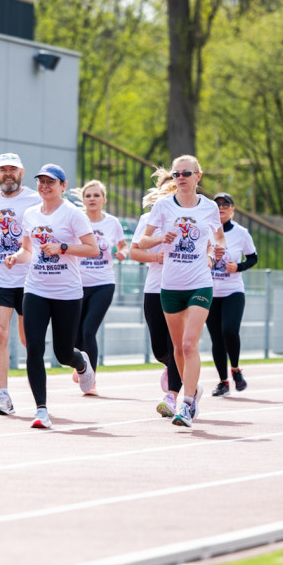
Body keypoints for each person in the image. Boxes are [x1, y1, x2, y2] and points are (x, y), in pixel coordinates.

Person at [3, 164, 98, 429]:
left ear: (63, 186)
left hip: (67, 292)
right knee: (34, 347)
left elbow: (93, 249)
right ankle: (41, 410)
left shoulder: (73, 214)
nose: (45, 186)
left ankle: (81, 362)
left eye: (51, 182)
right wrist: (16, 257)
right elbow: (28, 250)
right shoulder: (30, 214)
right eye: (41, 181)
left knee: (63, 353)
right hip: (35, 289)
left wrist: (62, 247)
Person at [141, 156, 225, 428]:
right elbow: (143, 241)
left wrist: (216, 252)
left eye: (186, 173)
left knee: (189, 344)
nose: (180, 178)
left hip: (199, 283)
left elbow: (219, 237)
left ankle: (186, 404)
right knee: (177, 348)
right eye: (176, 174)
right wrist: (159, 238)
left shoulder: (209, 207)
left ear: (198, 176)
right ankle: (192, 390)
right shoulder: (163, 206)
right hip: (170, 286)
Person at [0, 153, 42, 415]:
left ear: (21, 172)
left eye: (13, 169)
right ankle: (3, 395)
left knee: (28, 340)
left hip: (29, 279)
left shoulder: (35, 199)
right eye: (3, 169)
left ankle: (40, 393)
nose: (8, 173)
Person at [129, 171, 182, 418]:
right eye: (168, 188)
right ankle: (178, 371)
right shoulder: (148, 219)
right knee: (159, 348)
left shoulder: (189, 218)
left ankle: (173, 396)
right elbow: (134, 252)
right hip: (154, 287)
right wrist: (155, 256)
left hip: (181, 288)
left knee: (176, 344)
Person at [73, 180, 128, 394]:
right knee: (75, 336)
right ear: (83, 200)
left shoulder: (112, 223)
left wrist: (123, 252)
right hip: (77, 284)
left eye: (96, 195)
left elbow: (123, 244)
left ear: (104, 199)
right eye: (88, 196)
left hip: (103, 283)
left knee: (88, 331)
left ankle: (91, 379)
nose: (92, 199)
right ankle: (81, 365)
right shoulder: (76, 220)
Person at [206, 192, 258, 397]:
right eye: (217, 204)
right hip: (209, 292)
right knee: (216, 338)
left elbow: (253, 258)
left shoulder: (241, 233)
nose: (221, 207)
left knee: (229, 330)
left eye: (225, 204)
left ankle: (235, 369)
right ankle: (223, 382)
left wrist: (238, 266)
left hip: (233, 291)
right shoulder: (206, 230)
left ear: (232, 209)